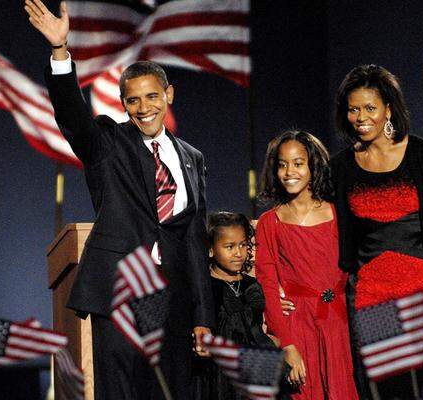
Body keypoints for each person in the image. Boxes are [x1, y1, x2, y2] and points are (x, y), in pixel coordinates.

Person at [24, 1, 214, 399]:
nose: (144, 108)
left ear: (169, 95)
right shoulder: (110, 143)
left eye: (152, 97)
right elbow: (74, 119)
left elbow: (195, 240)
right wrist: (61, 52)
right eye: (133, 101)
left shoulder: (193, 158)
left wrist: (203, 315)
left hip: (174, 300)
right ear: (123, 103)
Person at [331, 64, 423, 399]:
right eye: (353, 109)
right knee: (393, 394)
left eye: (369, 108)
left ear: (388, 109)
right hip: (374, 299)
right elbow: (317, 222)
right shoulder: (340, 167)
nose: (360, 117)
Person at [255, 130, 359, 400]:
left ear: (313, 165)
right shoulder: (270, 222)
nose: (289, 171)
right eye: (282, 164)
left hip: (338, 324)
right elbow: (267, 284)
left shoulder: (338, 213)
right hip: (297, 326)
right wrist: (287, 344)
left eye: (298, 163)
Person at [193, 211, 290, 400]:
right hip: (219, 376)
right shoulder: (204, 289)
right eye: (229, 246)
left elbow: (259, 324)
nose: (238, 253)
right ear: (211, 249)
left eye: (243, 245)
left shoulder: (252, 285)